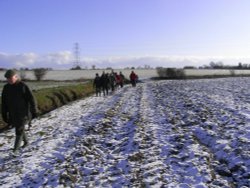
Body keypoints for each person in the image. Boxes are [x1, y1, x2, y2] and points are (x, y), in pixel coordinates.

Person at [1, 69, 38, 153]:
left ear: (16, 77)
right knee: (19, 128)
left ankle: (15, 150)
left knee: (19, 129)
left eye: (11, 78)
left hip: (23, 113)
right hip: (13, 113)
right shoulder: (6, 88)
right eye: (8, 78)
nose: (9, 80)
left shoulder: (23, 86)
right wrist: (4, 113)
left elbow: (32, 99)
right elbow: (4, 102)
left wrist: (34, 110)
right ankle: (26, 142)